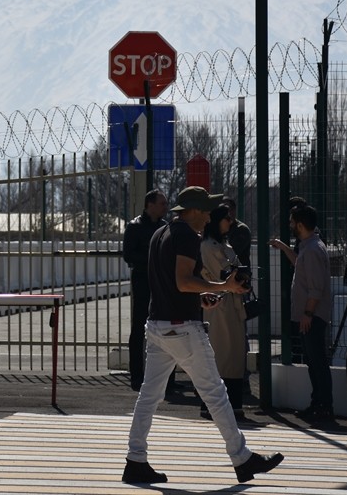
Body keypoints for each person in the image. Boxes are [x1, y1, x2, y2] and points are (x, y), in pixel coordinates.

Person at [123, 186, 283, 486]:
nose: (209, 216)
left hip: (158, 325)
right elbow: (184, 282)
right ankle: (242, 458)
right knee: (215, 393)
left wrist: (200, 297)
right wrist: (225, 287)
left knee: (149, 395)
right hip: (183, 328)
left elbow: (170, 285)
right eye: (206, 211)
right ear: (194, 210)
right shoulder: (186, 235)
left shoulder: (161, 233)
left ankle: (135, 460)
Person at [271, 203, 333, 421]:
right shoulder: (309, 246)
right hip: (309, 315)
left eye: (291, 222)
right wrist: (284, 247)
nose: (290, 225)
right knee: (313, 362)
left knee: (317, 362)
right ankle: (318, 404)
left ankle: (324, 406)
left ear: (299, 225)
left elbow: (316, 288)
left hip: (312, 316)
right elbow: (301, 264)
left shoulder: (313, 249)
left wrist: (308, 313)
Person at [198, 204, 249, 421]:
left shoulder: (224, 245)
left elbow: (237, 272)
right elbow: (224, 274)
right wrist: (237, 279)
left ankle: (233, 404)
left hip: (232, 304)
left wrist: (242, 280)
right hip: (218, 305)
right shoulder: (208, 246)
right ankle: (213, 406)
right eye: (226, 218)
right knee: (219, 355)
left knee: (234, 355)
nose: (230, 221)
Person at [122, 190, 167, 390]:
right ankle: (137, 375)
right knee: (139, 327)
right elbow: (128, 255)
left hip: (161, 281)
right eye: (161, 203)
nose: (165, 207)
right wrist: (152, 259)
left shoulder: (164, 226)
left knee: (165, 326)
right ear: (150, 205)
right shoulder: (135, 227)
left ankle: (166, 378)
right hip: (142, 280)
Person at [221, 196, 251, 269]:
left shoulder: (242, 229)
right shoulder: (219, 227)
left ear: (234, 210)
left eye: (228, 209)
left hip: (239, 272)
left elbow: (231, 253)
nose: (226, 213)